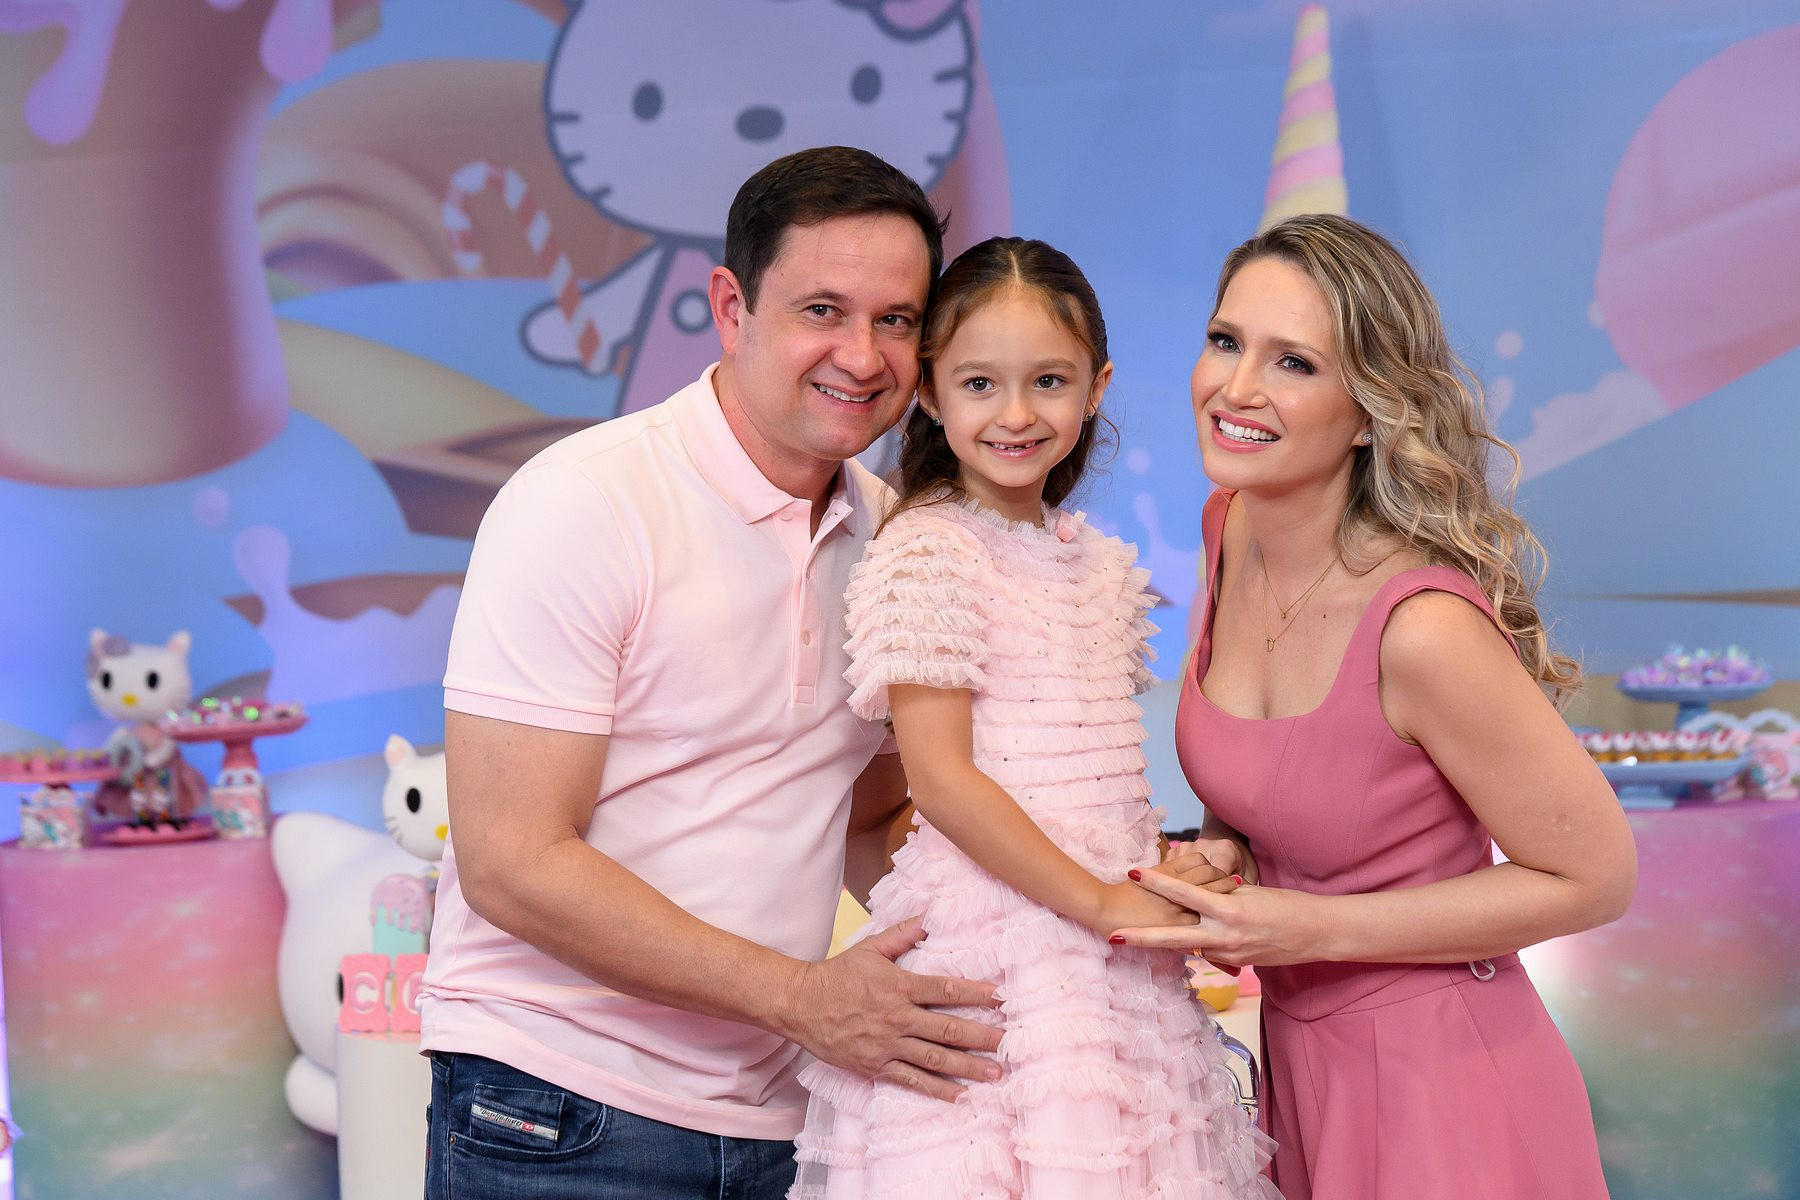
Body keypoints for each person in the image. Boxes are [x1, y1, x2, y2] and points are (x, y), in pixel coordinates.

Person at [419, 146, 1007, 1200]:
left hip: (785, 1114)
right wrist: (803, 997)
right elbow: (510, 862)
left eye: (896, 320)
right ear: (732, 308)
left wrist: (1053, 925)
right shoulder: (586, 502)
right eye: (822, 310)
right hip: (556, 1104)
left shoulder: (896, 540)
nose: (861, 355)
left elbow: (872, 820)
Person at [1113, 213, 1637, 1198]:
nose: (1237, 387)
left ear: (1368, 412)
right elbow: (1282, 783)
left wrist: (1308, 929)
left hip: (1449, 1084)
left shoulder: (1424, 629)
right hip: (1302, 1068)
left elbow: (1596, 879)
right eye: (1226, 341)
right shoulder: (1228, 528)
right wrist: (1226, 849)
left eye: (1294, 363)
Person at [789, 237, 1280, 1199]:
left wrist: (1162, 868)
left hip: (1114, 957)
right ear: (931, 391)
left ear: (1096, 387)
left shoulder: (1099, 563)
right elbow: (943, 783)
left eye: (1048, 381)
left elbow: (1095, 780)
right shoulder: (928, 550)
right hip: (1000, 955)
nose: (1015, 415)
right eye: (980, 383)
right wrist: (1098, 903)